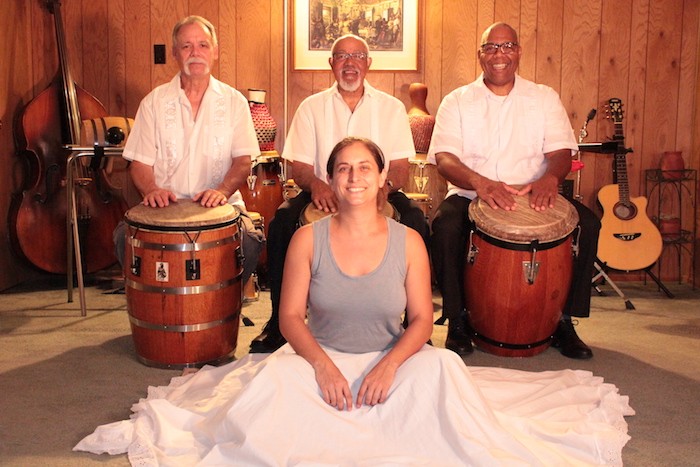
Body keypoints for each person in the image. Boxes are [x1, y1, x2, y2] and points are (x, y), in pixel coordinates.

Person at [75, 137, 632, 465]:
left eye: (365, 167)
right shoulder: (306, 239)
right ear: (332, 181)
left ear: (384, 177)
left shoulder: (410, 240)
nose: (354, 176)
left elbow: (419, 322)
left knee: (441, 367)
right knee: (270, 381)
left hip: (394, 362)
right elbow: (290, 318)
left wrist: (390, 366)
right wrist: (321, 367)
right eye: (343, 169)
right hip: (323, 358)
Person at [428, 22, 601, 359]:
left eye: (507, 46)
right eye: (491, 47)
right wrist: (480, 183)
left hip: (534, 196)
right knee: (445, 227)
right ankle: (457, 320)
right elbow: (445, 158)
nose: (499, 54)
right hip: (471, 194)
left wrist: (549, 180)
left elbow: (561, 152)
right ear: (480, 55)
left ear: (519, 51)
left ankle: (564, 320)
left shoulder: (543, 97)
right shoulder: (458, 101)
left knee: (588, 224)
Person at [250, 33, 429, 353]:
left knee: (416, 219)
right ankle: (279, 321)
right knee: (282, 219)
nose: (350, 63)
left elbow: (400, 167)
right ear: (332, 64)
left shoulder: (391, 108)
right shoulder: (311, 107)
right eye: (342, 57)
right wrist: (318, 185)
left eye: (358, 56)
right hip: (325, 188)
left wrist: (383, 188)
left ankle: (414, 323)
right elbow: (299, 168)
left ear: (368, 64)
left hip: (378, 189)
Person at [113, 15, 262, 287]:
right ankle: (155, 320)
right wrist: (151, 190)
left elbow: (243, 162)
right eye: (186, 46)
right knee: (123, 237)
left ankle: (221, 315)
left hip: (222, 205)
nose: (195, 53)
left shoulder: (234, 102)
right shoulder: (154, 103)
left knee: (250, 242)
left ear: (215, 51)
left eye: (203, 45)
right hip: (164, 208)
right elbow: (140, 164)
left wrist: (222, 190)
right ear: (174, 53)